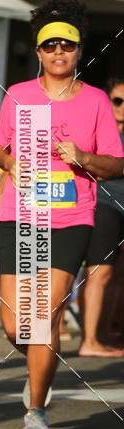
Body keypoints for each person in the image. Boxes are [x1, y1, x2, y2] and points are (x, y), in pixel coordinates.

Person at [0, 0, 124, 429]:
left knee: (43, 312)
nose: (59, 53)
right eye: (50, 46)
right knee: (17, 325)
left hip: (70, 217)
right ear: (39, 52)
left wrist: (84, 157)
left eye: (67, 46)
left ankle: (35, 409)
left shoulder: (97, 102)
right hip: (20, 214)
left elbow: (115, 165)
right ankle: (40, 361)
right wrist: (9, 164)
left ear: (79, 51)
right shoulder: (18, 95)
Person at [77, 75, 124, 356]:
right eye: (118, 100)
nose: (123, 107)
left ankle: (103, 333)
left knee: (117, 275)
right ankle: (89, 341)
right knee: (98, 272)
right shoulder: (97, 129)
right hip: (103, 205)